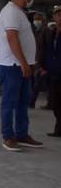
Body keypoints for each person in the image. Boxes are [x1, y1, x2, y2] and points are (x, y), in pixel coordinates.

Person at [0, 0, 43, 151]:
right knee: (10, 102)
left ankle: (22, 134)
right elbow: (12, 39)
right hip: (12, 65)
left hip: (21, 65)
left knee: (23, 102)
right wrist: (23, 63)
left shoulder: (19, 12)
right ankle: (8, 136)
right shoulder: (11, 12)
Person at [37, 7, 61, 137]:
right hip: (52, 72)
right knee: (55, 102)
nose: (60, 18)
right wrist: (42, 66)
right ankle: (59, 129)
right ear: (54, 18)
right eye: (58, 15)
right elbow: (45, 50)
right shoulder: (51, 33)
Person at [31, 12, 51, 109]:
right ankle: (50, 103)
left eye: (37, 19)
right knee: (45, 84)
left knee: (37, 83)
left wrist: (45, 65)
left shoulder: (46, 31)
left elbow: (48, 48)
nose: (36, 21)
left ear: (42, 20)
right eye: (35, 19)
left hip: (43, 62)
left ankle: (31, 102)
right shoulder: (38, 31)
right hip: (38, 62)